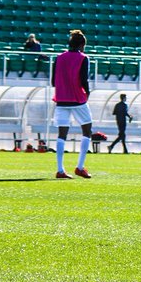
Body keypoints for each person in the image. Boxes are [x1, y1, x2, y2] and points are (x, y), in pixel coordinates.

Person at [53, 29, 93, 179]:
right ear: (82, 45)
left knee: (61, 134)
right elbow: (84, 80)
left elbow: (53, 80)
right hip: (77, 99)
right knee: (87, 130)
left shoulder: (59, 57)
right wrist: (87, 93)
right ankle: (80, 167)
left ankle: (60, 170)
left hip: (61, 99)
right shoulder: (83, 58)